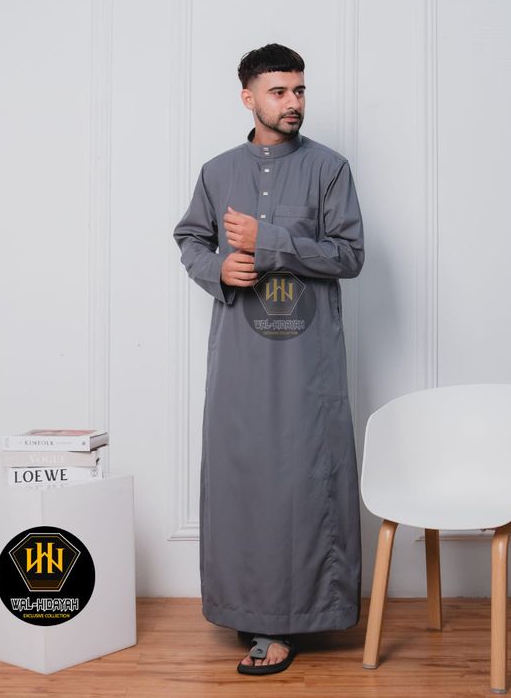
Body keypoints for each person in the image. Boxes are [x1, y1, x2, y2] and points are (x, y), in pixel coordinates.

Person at [173, 43, 364, 675]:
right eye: (279, 92)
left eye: (299, 90)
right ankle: (248, 609)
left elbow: (349, 256)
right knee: (241, 484)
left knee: (300, 485)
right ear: (248, 97)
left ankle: (291, 620)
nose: (293, 103)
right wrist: (217, 269)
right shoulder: (217, 171)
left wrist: (271, 240)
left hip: (307, 363)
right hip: (238, 360)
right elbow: (190, 237)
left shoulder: (329, 168)